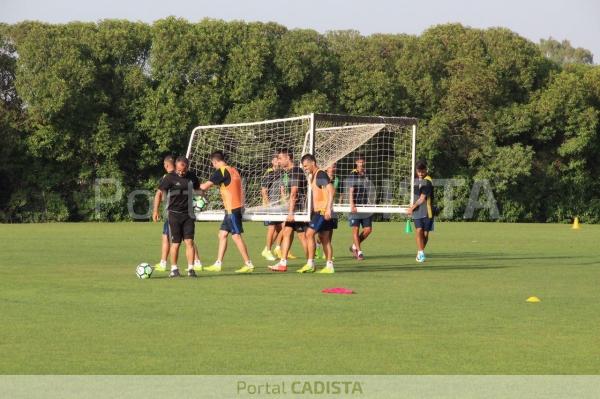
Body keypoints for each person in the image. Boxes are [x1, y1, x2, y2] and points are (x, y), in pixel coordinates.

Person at [199, 151, 254, 273]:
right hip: (235, 207)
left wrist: (189, 185)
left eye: (213, 164)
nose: (213, 166)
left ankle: (248, 263)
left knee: (236, 236)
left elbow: (204, 187)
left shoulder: (222, 171)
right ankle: (218, 263)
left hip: (232, 209)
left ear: (215, 161)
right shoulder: (233, 170)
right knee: (222, 234)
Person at [153, 155, 203, 272]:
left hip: (189, 215)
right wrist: (155, 210)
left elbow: (198, 190)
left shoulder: (192, 176)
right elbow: (159, 193)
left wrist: (201, 199)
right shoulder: (169, 178)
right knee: (175, 243)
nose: (181, 172)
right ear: (175, 167)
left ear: (188, 167)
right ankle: (174, 269)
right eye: (179, 170)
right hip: (174, 214)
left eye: (184, 170)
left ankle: (191, 269)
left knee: (189, 241)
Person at [268, 148, 308, 272]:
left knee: (302, 236)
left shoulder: (296, 171)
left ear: (288, 158)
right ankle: (283, 263)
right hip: (294, 208)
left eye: (280, 158)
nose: (278, 161)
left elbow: (294, 193)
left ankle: (310, 262)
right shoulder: (289, 172)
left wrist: (291, 212)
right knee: (287, 232)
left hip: (297, 209)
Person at [297, 154, 336, 274]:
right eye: (304, 166)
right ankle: (329, 266)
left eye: (306, 165)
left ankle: (310, 264)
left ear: (313, 163)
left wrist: (328, 209)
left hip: (323, 211)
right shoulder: (313, 176)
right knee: (324, 239)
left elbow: (331, 190)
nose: (305, 168)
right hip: (320, 211)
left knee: (309, 234)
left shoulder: (320, 174)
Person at [408, 160, 434, 263]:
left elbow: (422, 198)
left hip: (427, 210)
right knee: (419, 230)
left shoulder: (427, 181)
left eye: (422, 172)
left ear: (425, 170)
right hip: (417, 211)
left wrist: (411, 208)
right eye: (418, 172)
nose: (420, 174)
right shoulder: (415, 179)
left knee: (425, 234)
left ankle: (420, 251)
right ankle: (421, 252)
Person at [347, 155, 373, 260]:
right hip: (356, 206)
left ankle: (354, 246)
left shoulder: (366, 174)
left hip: (365, 206)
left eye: (362, 162)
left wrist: (371, 201)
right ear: (356, 163)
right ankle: (359, 252)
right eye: (359, 162)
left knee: (368, 229)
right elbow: (351, 190)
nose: (361, 164)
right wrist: (352, 204)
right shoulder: (353, 174)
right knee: (356, 229)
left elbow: (369, 188)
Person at [260, 155, 284, 261]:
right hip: (270, 206)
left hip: (278, 205)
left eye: (279, 160)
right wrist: (268, 205)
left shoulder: (281, 173)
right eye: (276, 160)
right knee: (272, 227)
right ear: (272, 162)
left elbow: (281, 190)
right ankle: (268, 250)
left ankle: (268, 249)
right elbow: (264, 191)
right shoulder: (269, 173)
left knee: (281, 228)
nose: (278, 162)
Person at [315, 162, 339, 260]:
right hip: (323, 207)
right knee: (322, 232)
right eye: (331, 166)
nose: (333, 168)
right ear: (327, 168)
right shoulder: (322, 178)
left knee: (330, 230)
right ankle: (317, 246)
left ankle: (326, 253)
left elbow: (336, 192)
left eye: (334, 166)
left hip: (332, 207)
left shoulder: (336, 179)